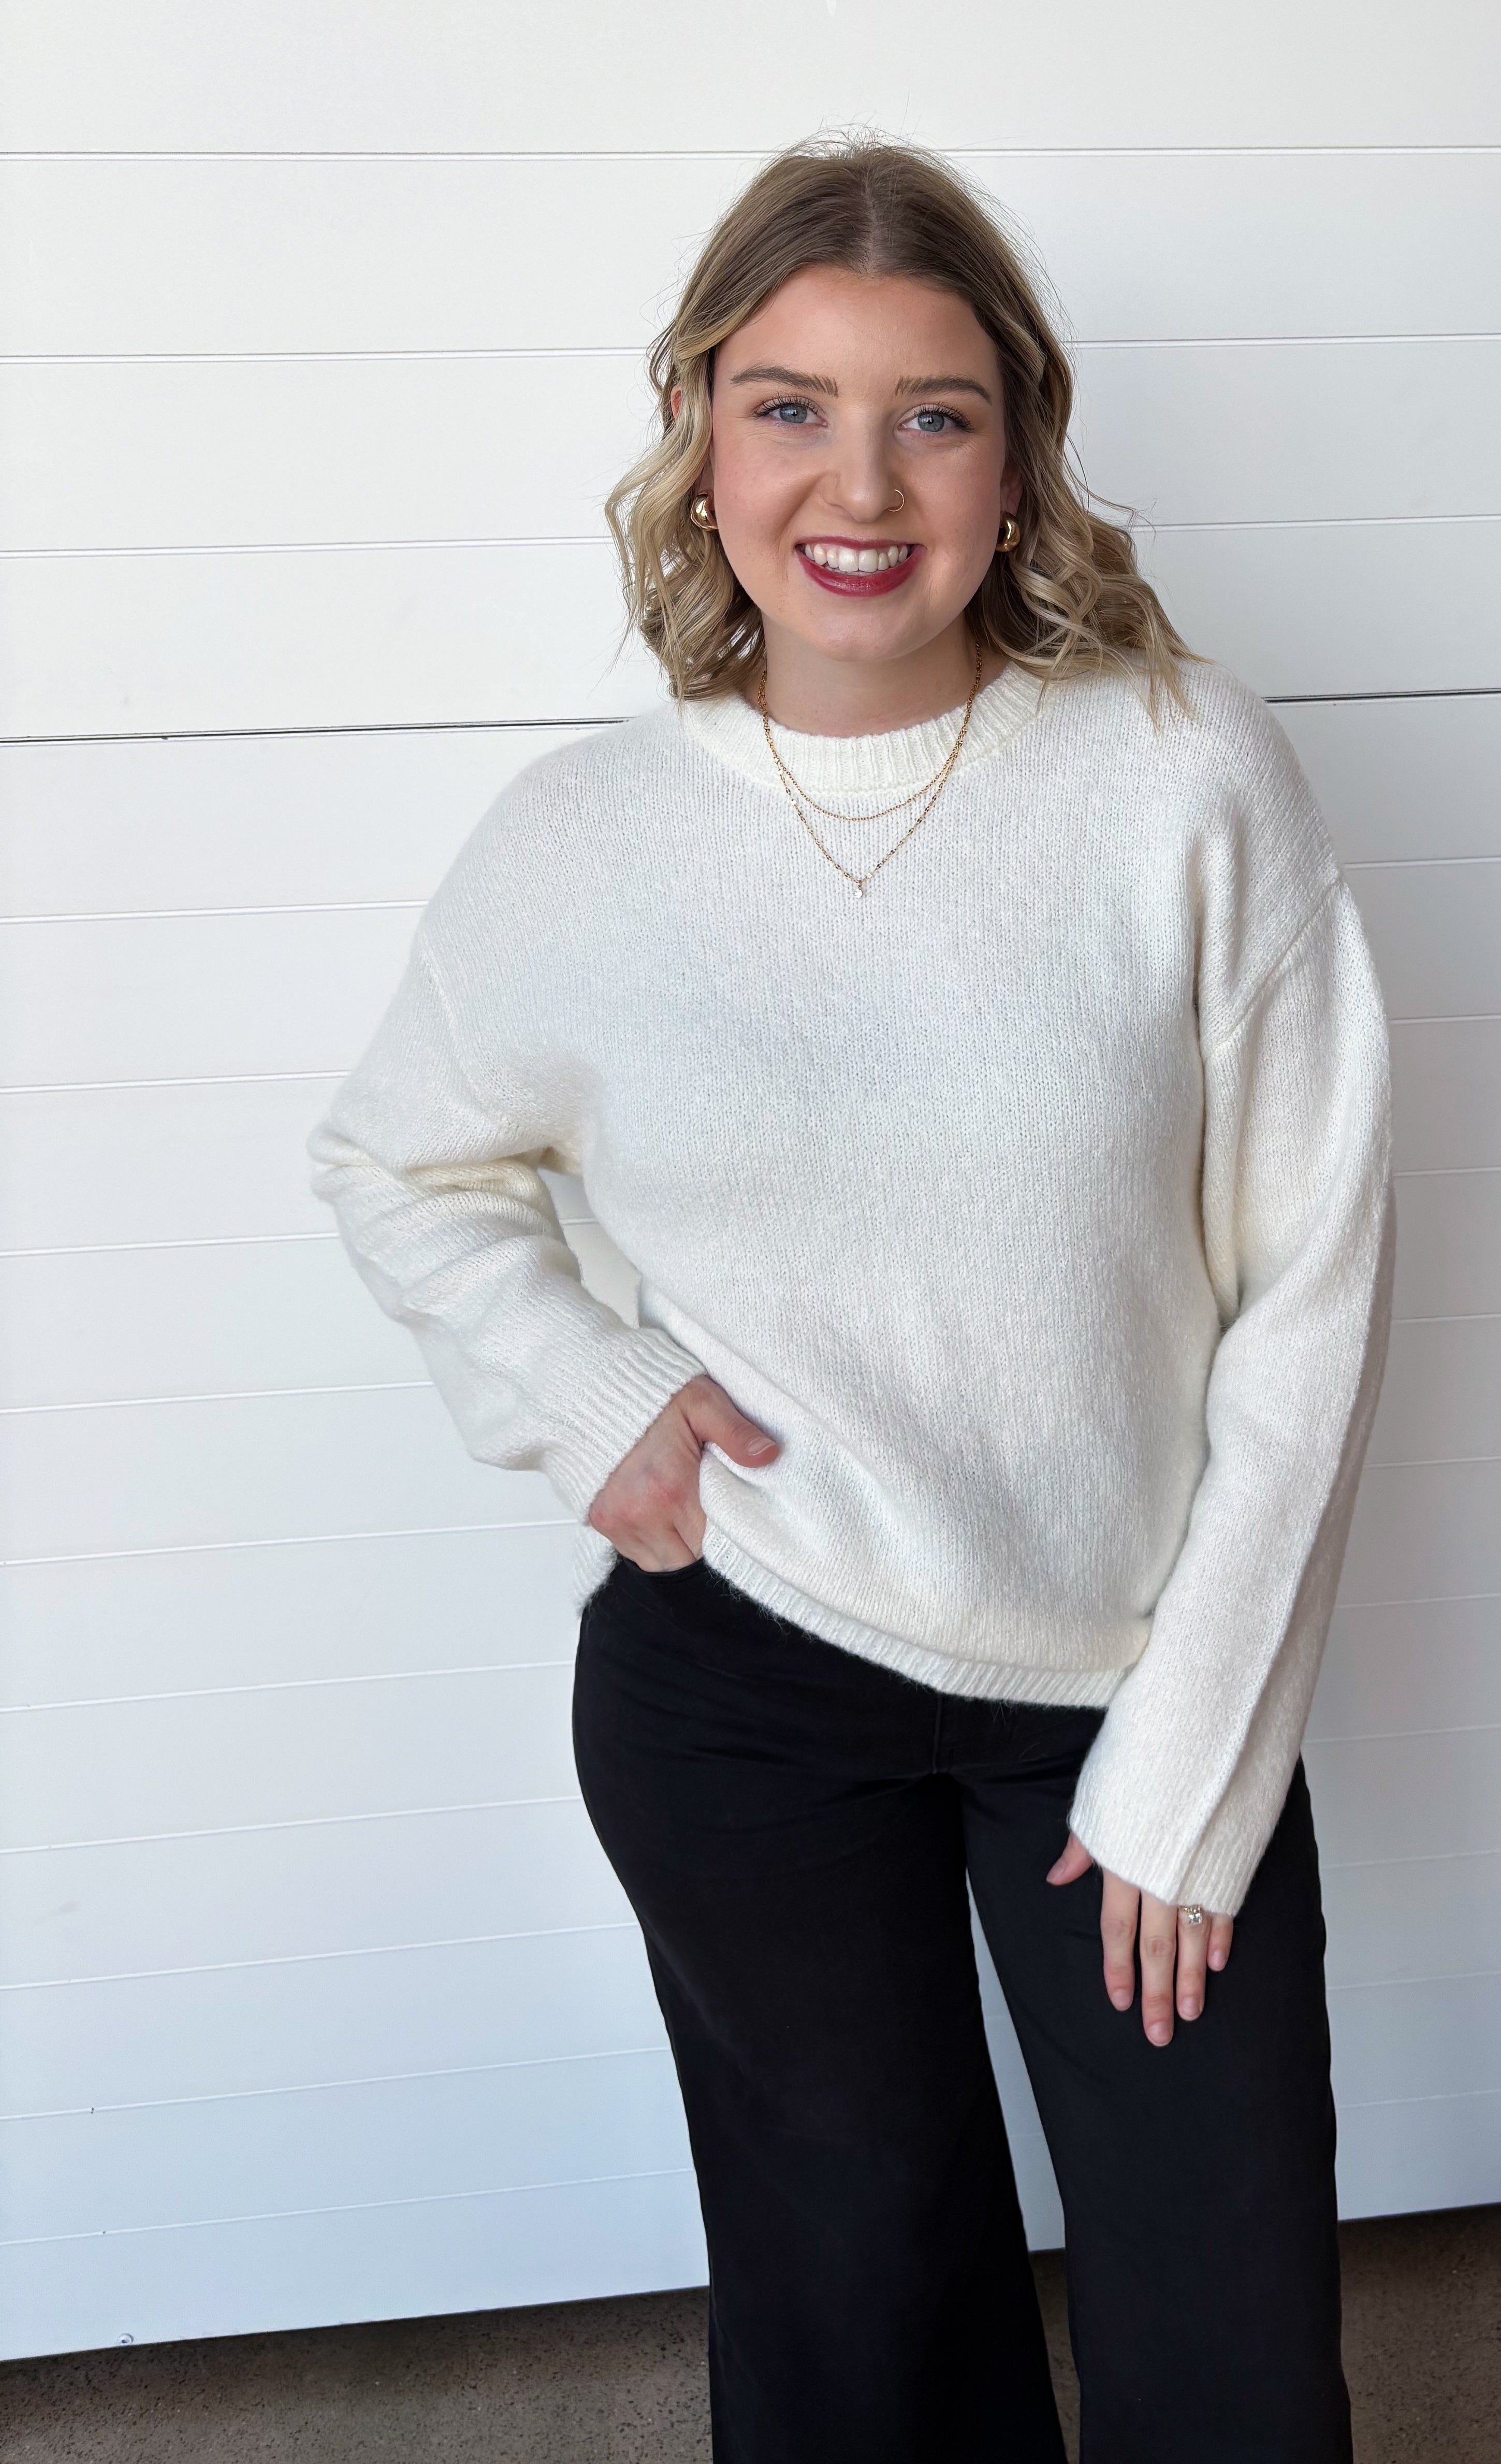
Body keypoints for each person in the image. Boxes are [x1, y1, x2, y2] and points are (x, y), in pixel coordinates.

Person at [307, 136, 1397, 2462]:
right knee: (856, 2343)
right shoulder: (582, 843)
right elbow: (396, 1158)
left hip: (1121, 1685)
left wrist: (1199, 1751)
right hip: (745, 1695)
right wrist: (588, 1385)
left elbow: (1313, 1292)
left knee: (1224, 2359)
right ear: (701, 436)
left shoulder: (1183, 776)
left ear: (1019, 458)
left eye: (935, 414)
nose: (861, 483)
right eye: (790, 406)